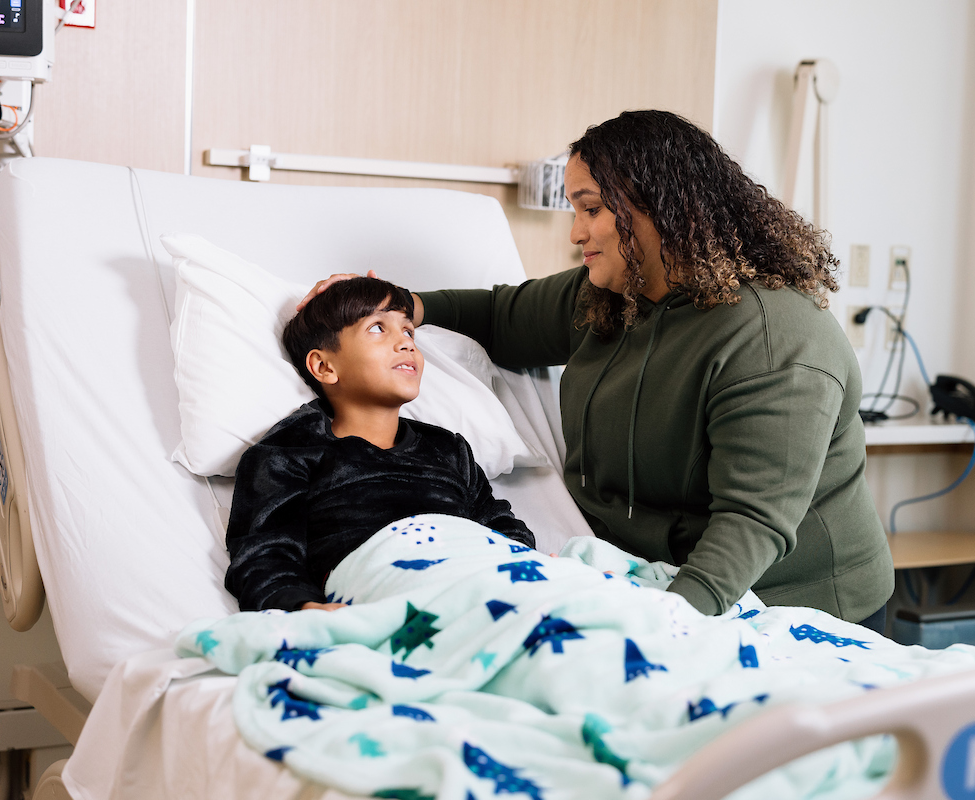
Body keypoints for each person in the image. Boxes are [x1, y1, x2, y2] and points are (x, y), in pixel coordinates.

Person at [301, 111, 893, 630]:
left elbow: (750, 524)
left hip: (792, 603)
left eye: (590, 208)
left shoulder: (770, 339)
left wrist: (658, 632)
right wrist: (397, 305)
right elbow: (503, 315)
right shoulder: (614, 294)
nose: (576, 232)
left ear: (665, 207)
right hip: (647, 581)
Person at [225, 277, 535, 612]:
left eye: (408, 330)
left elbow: (500, 524)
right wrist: (303, 607)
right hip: (387, 596)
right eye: (377, 328)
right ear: (324, 366)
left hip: (478, 582)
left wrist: (528, 567)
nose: (405, 343)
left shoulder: (447, 449)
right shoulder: (288, 453)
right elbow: (265, 556)